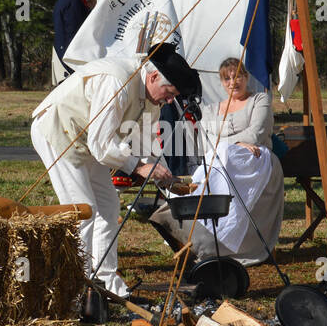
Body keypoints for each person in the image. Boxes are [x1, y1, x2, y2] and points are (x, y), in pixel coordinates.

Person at [31, 43, 200, 298]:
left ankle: (105, 280)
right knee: (83, 210)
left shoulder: (151, 96)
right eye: (170, 92)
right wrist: (139, 167)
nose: (169, 100)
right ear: (154, 76)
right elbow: (102, 146)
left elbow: (144, 142)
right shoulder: (117, 82)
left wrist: (161, 173)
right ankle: (76, 287)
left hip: (88, 140)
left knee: (108, 208)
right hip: (59, 130)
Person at [148, 57, 284, 266]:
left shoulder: (259, 100)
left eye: (237, 76)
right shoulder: (211, 110)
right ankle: (193, 229)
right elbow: (206, 144)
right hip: (221, 161)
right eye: (227, 78)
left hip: (257, 159)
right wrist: (234, 143)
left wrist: (235, 144)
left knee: (225, 153)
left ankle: (222, 239)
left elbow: (257, 133)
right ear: (221, 82)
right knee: (221, 155)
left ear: (246, 77)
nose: (233, 82)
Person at [52, 0, 98, 85]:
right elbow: (76, 29)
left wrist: (88, 8)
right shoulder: (74, 0)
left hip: (64, 47)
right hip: (69, 50)